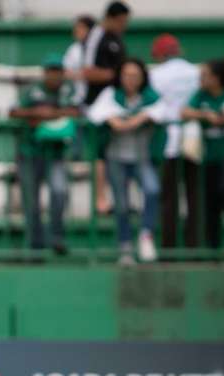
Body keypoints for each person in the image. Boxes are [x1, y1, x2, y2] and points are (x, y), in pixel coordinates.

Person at [88, 58, 167, 265]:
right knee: (122, 204)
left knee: (152, 189)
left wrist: (138, 118)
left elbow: (163, 111)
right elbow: (95, 113)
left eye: (135, 76)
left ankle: (145, 235)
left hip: (141, 157)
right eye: (127, 75)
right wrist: (112, 120)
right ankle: (124, 245)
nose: (131, 80)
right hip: (117, 157)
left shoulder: (150, 97)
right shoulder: (110, 95)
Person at [10, 54, 80, 254]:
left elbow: (77, 111)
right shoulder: (32, 91)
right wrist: (38, 114)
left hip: (55, 153)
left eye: (58, 71)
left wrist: (51, 114)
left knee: (59, 192)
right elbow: (14, 112)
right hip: (29, 152)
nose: (55, 76)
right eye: (51, 71)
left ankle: (57, 237)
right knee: (31, 201)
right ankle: (35, 244)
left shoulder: (68, 91)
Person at [181, 58, 224, 250]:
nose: (201, 79)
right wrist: (205, 115)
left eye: (205, 75)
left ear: (217, 77)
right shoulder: (201, 96)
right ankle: (213, 248)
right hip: (210, 155)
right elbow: (184, 112)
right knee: (211, 202)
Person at [149, 34, 200, 248]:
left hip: (167, 139)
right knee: (195, 195)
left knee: (169, 198)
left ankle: (169, 246)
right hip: (194, 139)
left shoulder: (155, 74)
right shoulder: (196, 72)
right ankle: (194, 244)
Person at [82, 1, 131, 215]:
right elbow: (88, 71)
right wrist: (118, 76)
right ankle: (100, 200)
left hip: (118, 104)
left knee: (123, 151)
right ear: (110, 18)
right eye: (121, 22)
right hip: (98, 105)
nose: (123, 26)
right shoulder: (96, 36)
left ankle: (122, 200)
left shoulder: (117, 39)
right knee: (100, 154)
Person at [63, 15, 95, 105]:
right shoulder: (73, 49)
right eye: (76, 28)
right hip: (77, 99)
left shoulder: (99, 48)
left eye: (81, 27)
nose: (77, 31)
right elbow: (66, 73)